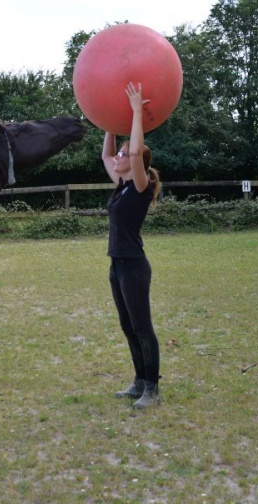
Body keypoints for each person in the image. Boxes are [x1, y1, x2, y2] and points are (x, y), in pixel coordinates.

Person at [101, 82, 162, 410]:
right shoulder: (121, 184)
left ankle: (152, 389)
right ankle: (139, 380)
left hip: (135, 267)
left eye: (124, 154)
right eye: (122, 154)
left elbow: (136, 152)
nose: (120, 157)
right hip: (117, 266)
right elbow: (105, 154)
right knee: (128, 325)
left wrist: (137, 110)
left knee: (142, 326)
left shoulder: (139, 185)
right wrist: (109, 120)